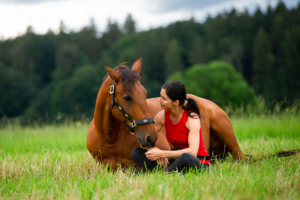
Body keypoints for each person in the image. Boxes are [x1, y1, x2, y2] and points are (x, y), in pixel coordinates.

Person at [131, 81, 209, 173]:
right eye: (160, 96)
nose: (159, 100)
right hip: (174, 160)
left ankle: (163, 174)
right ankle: (167, 172)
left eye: (163, 98)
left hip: (197, 161)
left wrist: (162, 153)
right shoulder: (162, 116)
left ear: (176, 102)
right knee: (136, 152)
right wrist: (153, 150)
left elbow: (192, 152)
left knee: (185, 157)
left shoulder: (192, 118)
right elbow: (145, 140)